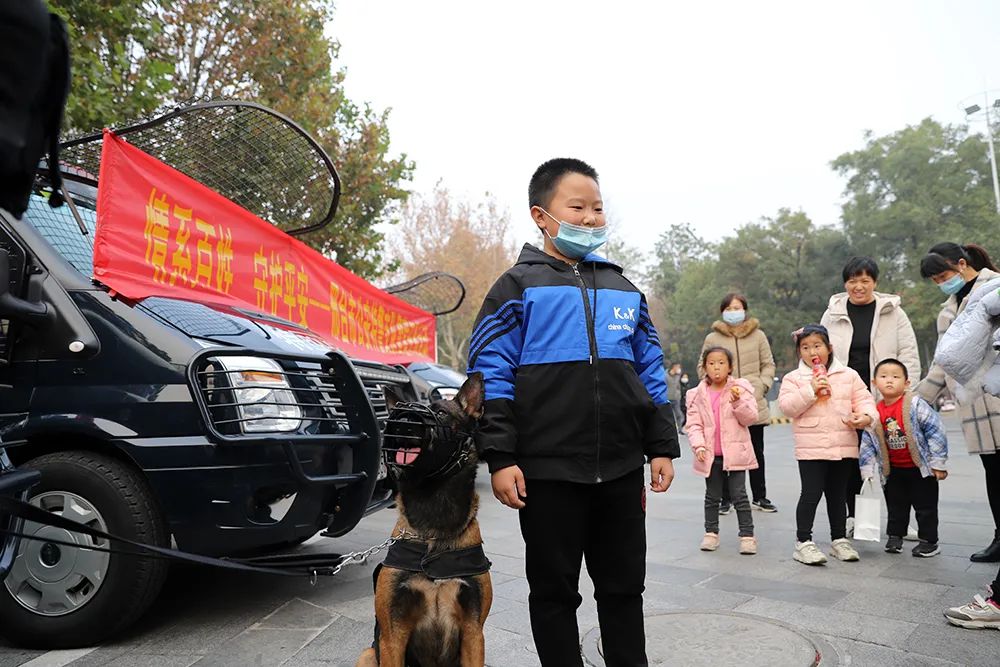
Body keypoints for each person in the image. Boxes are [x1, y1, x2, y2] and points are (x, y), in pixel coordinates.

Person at [468, 158, 679, 666]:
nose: (590, 218)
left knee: (625, 588)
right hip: (546, 472)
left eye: (598, 208)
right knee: (554, 593)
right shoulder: (516, 288)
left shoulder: (625, 289)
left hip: (623, 470)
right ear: (542, 215)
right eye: (577, 207)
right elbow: (489, 372)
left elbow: (650, 367)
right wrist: (500, 455)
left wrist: (661, 445)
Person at [821, 257, 921, 535]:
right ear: (845, 283)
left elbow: (909, 355)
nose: (859, 286)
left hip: (885, 397)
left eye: (865, 280)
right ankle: (853, 517)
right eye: (853, 280)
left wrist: (903, 395)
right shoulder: (832, 314)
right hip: (847, 397)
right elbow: (820, 354)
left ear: (875, 282)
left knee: (894, 459)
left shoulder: (893, 312)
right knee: (850, 460)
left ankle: (900, 520)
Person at [917, 242, 1000, 563]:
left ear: (962, 264)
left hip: (997, 391)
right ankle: (999, 536)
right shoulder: (948, 310)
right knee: (993, 473)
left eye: (943, 275)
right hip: (976, 404)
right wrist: (917, 401)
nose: (941, 284)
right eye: (935, 280)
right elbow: (943, 362)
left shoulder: (994, 288)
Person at [778, 324, 877, 565]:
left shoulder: (849, 375)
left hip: (843, 443)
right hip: (811, 447)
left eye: (817, 345)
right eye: (805, 347)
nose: (812, 351)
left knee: (838, 494)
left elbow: (865, 400)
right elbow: (787, 407)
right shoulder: (794, 378)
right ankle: (803, 542)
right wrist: (811, 389)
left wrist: (865, 417)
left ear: (829, 348)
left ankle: (839, 539)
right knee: (811, 494)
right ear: (799, 352)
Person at [859, 358, 948, 557]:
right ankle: (895, 537)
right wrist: (867, 469)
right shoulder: (875, 411)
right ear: (874, 383)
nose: (889, 380)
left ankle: (929, 541)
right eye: (883, 376)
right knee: (896, 505)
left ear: (906, 383)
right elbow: (867, 441)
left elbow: (935, 430)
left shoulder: (915, 404)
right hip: (894, 471)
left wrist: (938, 463)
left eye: (896, 377)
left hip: (920, 469)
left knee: (925, 507)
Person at [700, 293, 777, 513]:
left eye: (738, 308)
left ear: (745, 310)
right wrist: (715, 387)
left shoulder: (758, 336)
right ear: (723, 312)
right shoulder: (712, 339)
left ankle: (760, 496)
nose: (734, 312)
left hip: (753, 401)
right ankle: (726, 499)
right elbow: (701, 366)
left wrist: (761, 386)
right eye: (729, 308)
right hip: (723, 403)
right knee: (724, 451)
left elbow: (768, 364)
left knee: (755, 450)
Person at [685, 346, 759, 555]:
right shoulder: (696, 394)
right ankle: (711, 533)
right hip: (710, 454)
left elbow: (750, 418)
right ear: (704, 367)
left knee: (740, 495)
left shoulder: (741, 389)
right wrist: (698, 445)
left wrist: (738, 403)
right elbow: (694, 424)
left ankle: (747, 535)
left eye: (721, 363)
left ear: (730, 367)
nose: (716, 368)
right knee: (712, 496)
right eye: (711, 363)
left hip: (736, 452)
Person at [666, 362, 685, 428]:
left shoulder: (678, 376)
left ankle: (679, 429)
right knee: (668, 415)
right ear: (674, 367)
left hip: (676, 398)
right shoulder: (665, 375)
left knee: (679, 415)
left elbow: (679, 386)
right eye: (678, 367)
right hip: (667, 398)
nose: (679, 369)